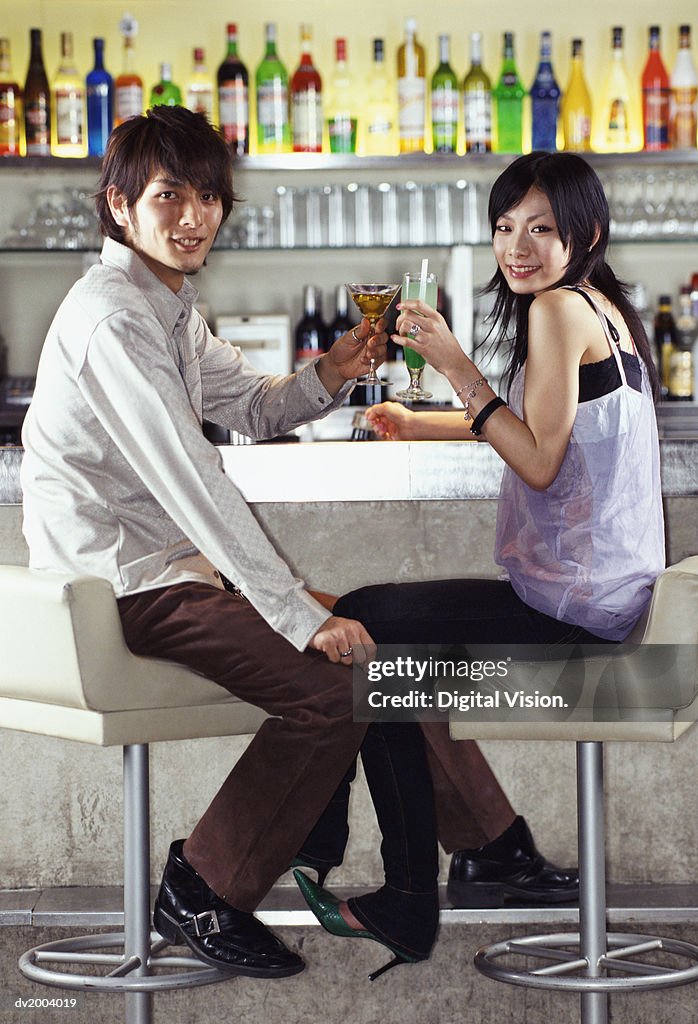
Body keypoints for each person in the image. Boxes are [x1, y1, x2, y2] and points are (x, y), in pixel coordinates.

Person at [20, 105, 441, 982]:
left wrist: (332, 371)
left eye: (208, 195)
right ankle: (203, 886)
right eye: (170, 194)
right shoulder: (113, 318)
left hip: (160, 577)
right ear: (119, 205)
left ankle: (482, 851)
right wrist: (289, 611)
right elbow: (191, 478)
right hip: (119, 590)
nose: (193, 215)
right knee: (333, 684)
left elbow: (248, 407)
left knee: (378, 643)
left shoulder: (164, 305)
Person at [293, 152, 665, 945]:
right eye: (504, 227)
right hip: (600, 598)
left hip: (573, 608)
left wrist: (454, 365)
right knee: (380, 643)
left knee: (365, 630)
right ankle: (478, 858)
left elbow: (534, 459)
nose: (516, 246)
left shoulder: (556, 311)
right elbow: (539, 430)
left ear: (584, 233)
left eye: (539, 227)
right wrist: (419, 418)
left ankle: (380, 875)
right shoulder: (597, 308)